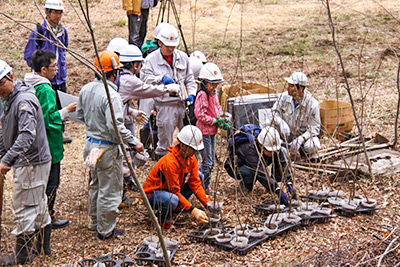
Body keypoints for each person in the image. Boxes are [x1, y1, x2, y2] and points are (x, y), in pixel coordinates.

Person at [76, 51, 144, 240]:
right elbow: (115, 127)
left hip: (90, 145)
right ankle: (106, 230)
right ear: (113, 73)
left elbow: (80, 115)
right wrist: (134, 141)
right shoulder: (111, 95)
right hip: (107, 148)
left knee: (95, 184)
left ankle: (94, 222)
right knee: (109, 189)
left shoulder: (85, 89)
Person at [0, 60, 52, 265]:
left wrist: (7, 159)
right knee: (37, 202)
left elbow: (26, 136)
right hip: (28, 159)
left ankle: (23, 254)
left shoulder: (24, 101)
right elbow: (5, 129)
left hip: (32, 161)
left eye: (0, 84)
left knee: (23, 206)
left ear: (11, 77)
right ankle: (41, 247)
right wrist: (2, 153)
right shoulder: (8, 98)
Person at [117, 44, 178, 207]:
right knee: (122, 160)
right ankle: (119, 198)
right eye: (139, 64)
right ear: (134, 64)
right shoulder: (128, 80)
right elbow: (147, 90)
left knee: (123, 159)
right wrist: (167, 89)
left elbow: (117, 103)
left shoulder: (119, 77)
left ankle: (121, 193)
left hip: (118, 121)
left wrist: (131, 112)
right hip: (116, 127)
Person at [24, 50, 75, 230]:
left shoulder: (28, 83)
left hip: (34, 143)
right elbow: (46, 118)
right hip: (48, 144)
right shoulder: (45, 89)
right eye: (54, 67)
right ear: (43, 69)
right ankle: (47, 215)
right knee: (51, 181)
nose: (57, 70)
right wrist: (65, 111)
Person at [141, 24, 197, 160]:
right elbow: (145, 81)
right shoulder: (151, 60)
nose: (171, 49)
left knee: (189, 138)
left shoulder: (183, 57)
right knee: (165, 143)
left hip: (182, 105)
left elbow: (190, 79)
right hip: (164, 105)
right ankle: (164, 168)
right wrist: (160, 79)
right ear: (160, 43)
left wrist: (191, 94)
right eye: (168, 46)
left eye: (173, 46)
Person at [143, 125, 211, 229]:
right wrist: (192, 210)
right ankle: (159, 220)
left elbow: (195, 183)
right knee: (172, 199)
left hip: (172, 189)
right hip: (154, 194)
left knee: (199, 176)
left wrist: (208, 204)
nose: (196, 152)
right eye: (193, 148)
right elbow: (174, 191)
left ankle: (176, 206)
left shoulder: (191, 158)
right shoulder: (170, 163)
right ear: (183, 146)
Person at [23, 0, 72, 144]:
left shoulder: (63, 31)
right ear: (47, 13)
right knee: (48, 107)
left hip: (60, 76)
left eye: (60, 12)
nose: (58, 16)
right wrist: (42, 70)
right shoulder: (39, 31)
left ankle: (60, 132)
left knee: (59, 104)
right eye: (54, 12)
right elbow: (30, 54)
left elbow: (64, 49)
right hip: (46, 77)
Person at [230, 127, 296, 205]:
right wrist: (276, 189)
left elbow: (283, 163)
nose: (273, 153)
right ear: (261, 146)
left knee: (283, 151)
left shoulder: (272, 150)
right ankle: (246, 185)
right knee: (251, 171)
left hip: (259, 162)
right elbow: (260, 171)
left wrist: (289, 182)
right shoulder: (249, 150)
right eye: (270, 150)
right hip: (238, 167)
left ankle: (273, 182)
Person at [194, 63, 229, 191]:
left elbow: (217, 107)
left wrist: (222, 118)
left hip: (212, 132)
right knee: (207, 162)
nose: (214, 86)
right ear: (204, 82)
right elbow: (200, 114)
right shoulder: (202, 95)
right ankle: (199, 186)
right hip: (204, 132)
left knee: (211, 162)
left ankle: (206, 186)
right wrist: (214, 121)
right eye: (211, 83)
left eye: (216, 83)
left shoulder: (213, 93)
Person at [271, 72, 321, 156]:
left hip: (301, 136)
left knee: (313, 145)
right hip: (285, 135)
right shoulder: (283, 97)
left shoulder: (313, 104)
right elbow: (274, 112)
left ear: (300, 88)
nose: (287, 88)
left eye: (291, 86)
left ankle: (303, 150)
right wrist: (281, 122)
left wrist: (302, 138)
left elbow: (315, 128)